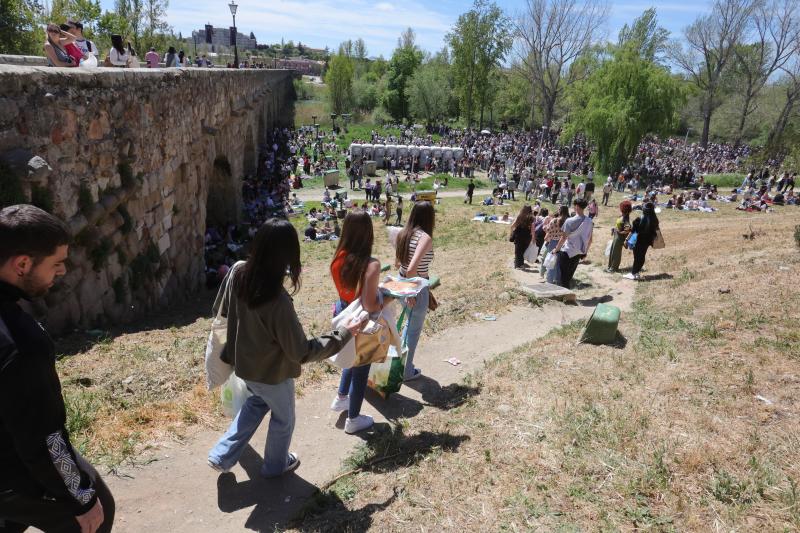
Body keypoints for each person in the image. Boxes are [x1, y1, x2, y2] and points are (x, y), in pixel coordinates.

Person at [207, 219, 361, 476]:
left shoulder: (240, 275)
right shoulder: (277, 300)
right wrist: (345, 332)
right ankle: (276, 465)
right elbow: (301, 351)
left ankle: (222, 454)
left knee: (256, 403)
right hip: (272, 375)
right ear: (287, 256)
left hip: (245, 366)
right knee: (284, 419)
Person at [0, 205, 115, 533]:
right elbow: (43, 438)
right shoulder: (21, 345)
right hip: (10, 469)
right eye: (57, 263)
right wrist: (81, 497)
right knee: (96, 514)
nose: (63, 272)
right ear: (22, 264)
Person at [329, 211, 383, 434]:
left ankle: (342, 397)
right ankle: (353, 418)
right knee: (361, 367)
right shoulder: (371, 264)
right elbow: (369, 305)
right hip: (361, 318)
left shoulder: (338, 257)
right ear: (368, 233)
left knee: (350, 357)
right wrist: (383, 301)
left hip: (343, 310)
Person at [396, 201, 435, 381]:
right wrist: (412, 293)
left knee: (407, 327)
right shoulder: (424, 237)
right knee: (413, 331)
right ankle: (406, 371)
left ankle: (399, 365)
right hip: (416, 288)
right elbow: (413, 269)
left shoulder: (403, 233)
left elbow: (399, 264)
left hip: (401, 283)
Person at [554, 198, 593, 289]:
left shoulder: (569, 221)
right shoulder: (589, 222)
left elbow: (563, 238)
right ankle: (567, 293)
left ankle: (563, 295)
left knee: (562, 276)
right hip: (579, 251)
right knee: (569, 275)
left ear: (576, 206)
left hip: (567, 251)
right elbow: (590, 239)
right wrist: (585, 252)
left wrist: (556, 249)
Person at [624, 202, 659, 280]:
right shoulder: (654, 219)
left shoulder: (641, 219)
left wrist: (626, 239)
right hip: (647, 241)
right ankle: (636, 272)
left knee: (637, 257)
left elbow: (633, 231)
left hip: (639, 241)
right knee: (642, 256)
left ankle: (633, 273)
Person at [606, 201, 632, 273]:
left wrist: (620, 232)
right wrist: (614, 229)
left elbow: (628, 230)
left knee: (616, 253)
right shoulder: (622, 216)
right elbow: (618, 225)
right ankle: (610, 266)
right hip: (616, 236)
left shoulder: (626, 219)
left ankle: (614, 268)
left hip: (620, 238)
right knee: (612, 251)